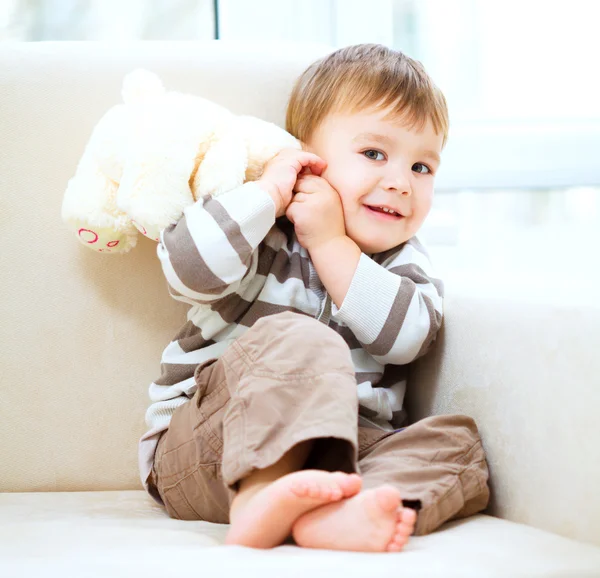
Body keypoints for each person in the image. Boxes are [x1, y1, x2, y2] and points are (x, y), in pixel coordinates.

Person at [139, 43, 490, 553]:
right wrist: (270, 192)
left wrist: (333, 245)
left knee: (459, 445)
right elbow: (185, 267)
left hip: (343, 452)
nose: (399, 183)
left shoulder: (404, 262)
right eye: (374, 154)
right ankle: (260, 495)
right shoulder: (262, 230)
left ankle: (330, 514)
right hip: (210, 445)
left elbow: (408, 339)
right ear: (307, 157)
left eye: (422, 167)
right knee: (298, 338)